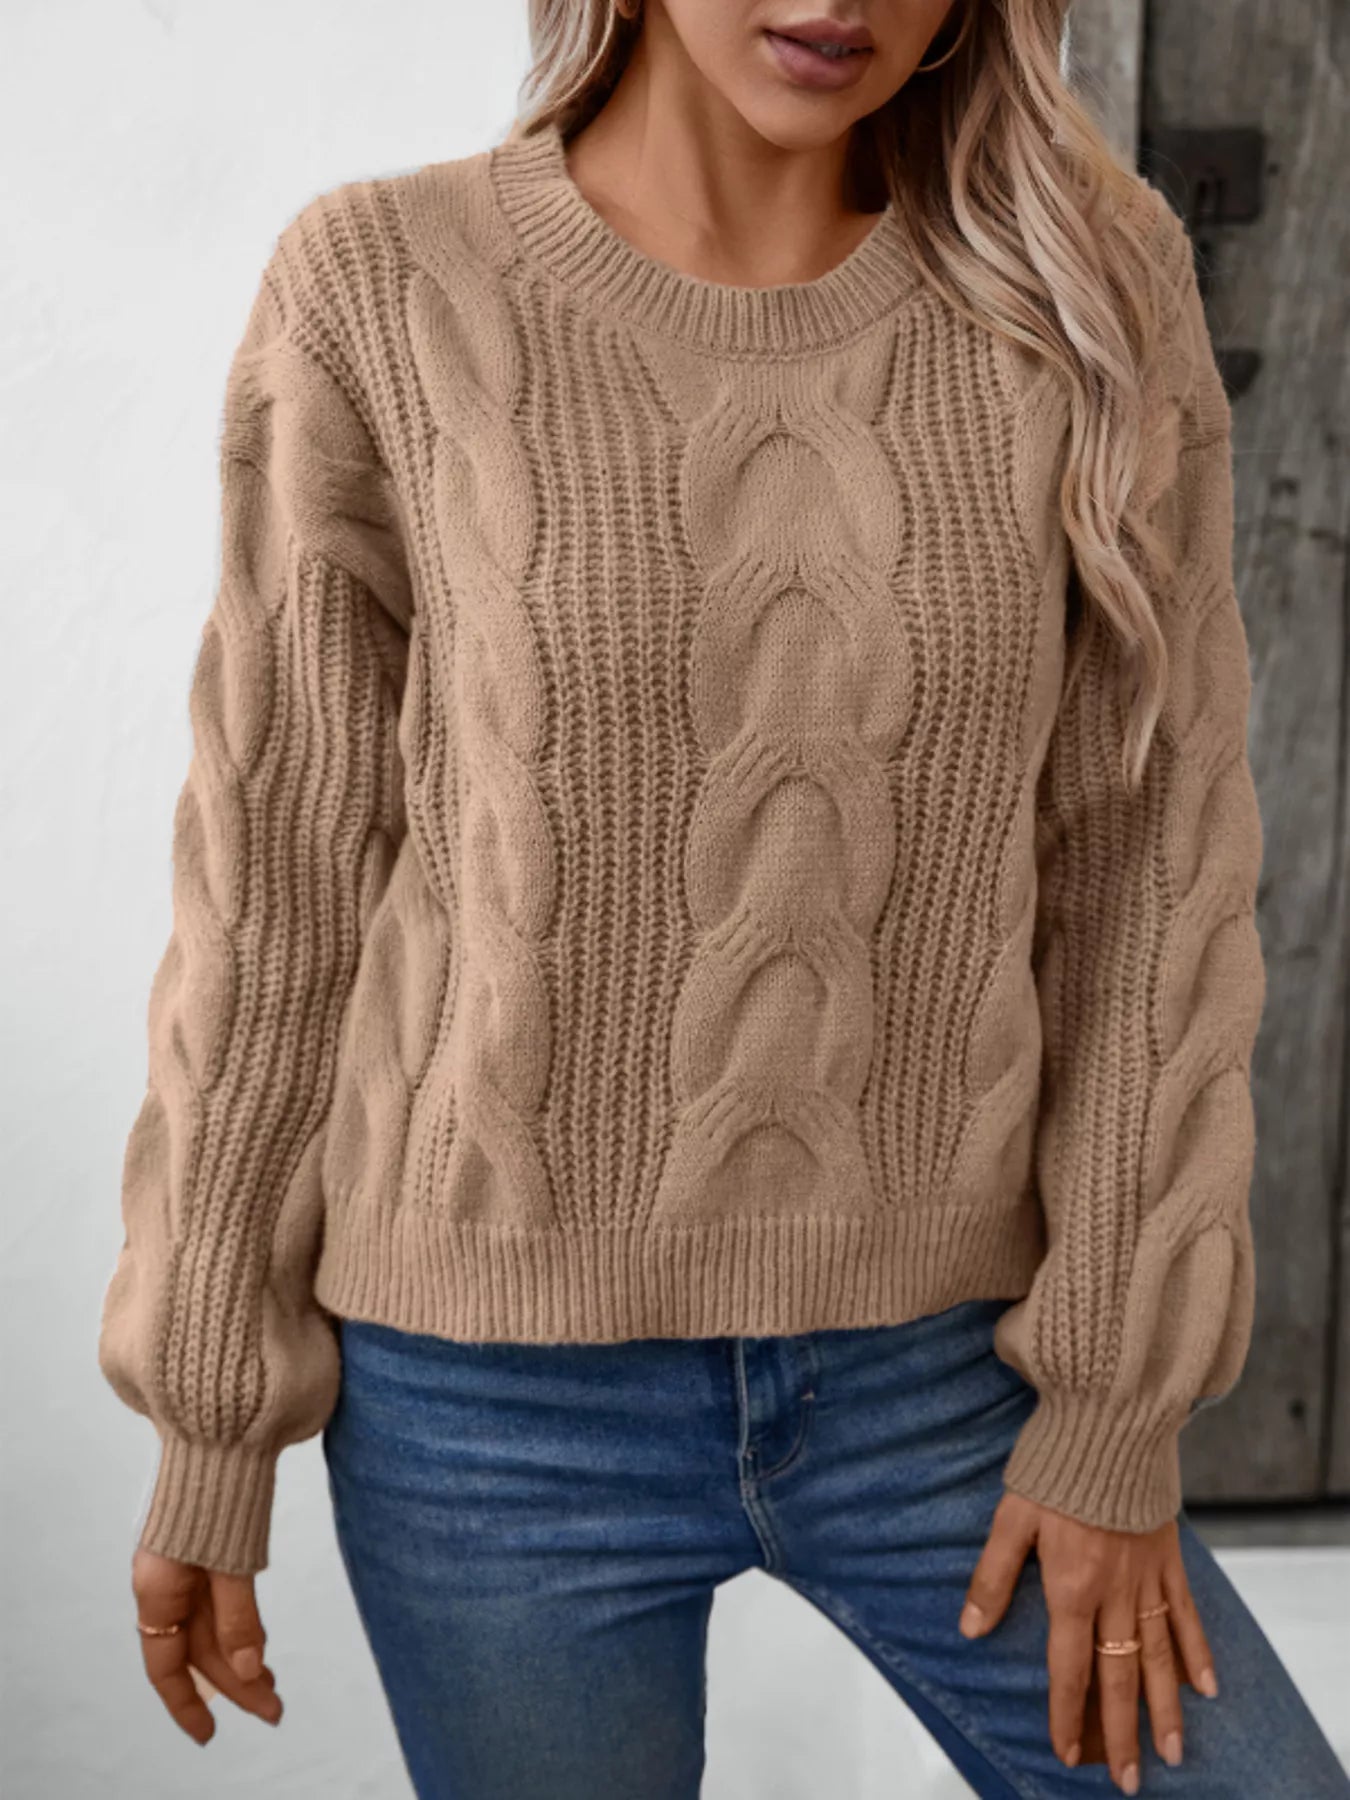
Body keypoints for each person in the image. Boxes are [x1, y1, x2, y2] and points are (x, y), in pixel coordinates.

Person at [97, 1, 1349, 1796]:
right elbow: (280, 870)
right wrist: (214, 1409)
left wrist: (1110, 1413)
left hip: (954, 1373)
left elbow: (1148, 863)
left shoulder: (1080, 281)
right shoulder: (381, 282)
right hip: (490, 1405)